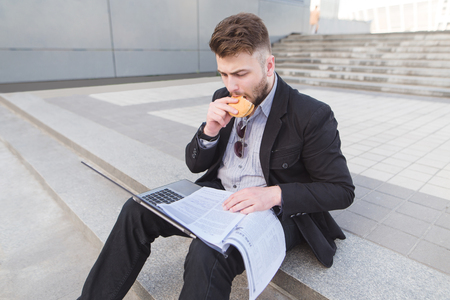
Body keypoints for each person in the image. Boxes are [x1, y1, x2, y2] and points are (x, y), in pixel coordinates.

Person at [78, 12, 354, 300]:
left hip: (271, 212)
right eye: (223, 73)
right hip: (217, 196)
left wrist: (273, 195)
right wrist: (209, 130)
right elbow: (195, 163)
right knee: (136, 209)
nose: (231, 85)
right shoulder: (222, 96)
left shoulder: (310, 114)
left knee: (208, 250)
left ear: (269, 65)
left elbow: (341, 190)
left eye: (240, 74)